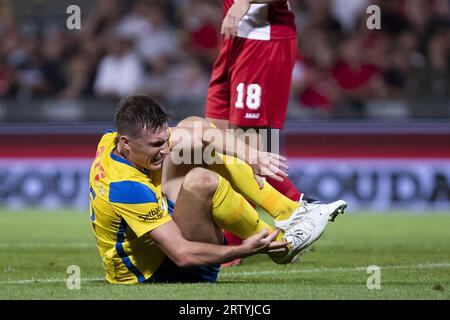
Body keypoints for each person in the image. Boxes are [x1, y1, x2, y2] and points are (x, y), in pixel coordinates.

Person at [89, 95, 346, 284]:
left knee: (193, 127)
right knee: (202, 180)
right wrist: (243, 250)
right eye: (156, 144)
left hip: (157, 233)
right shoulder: (126, 187)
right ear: (126, 143)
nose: (165, 150)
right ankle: (280, 244)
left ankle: (289, 211)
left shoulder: (112, 140)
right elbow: (181, 254)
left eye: (165, 140)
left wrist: (251, 155)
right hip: (154, 273)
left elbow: (199, 132)